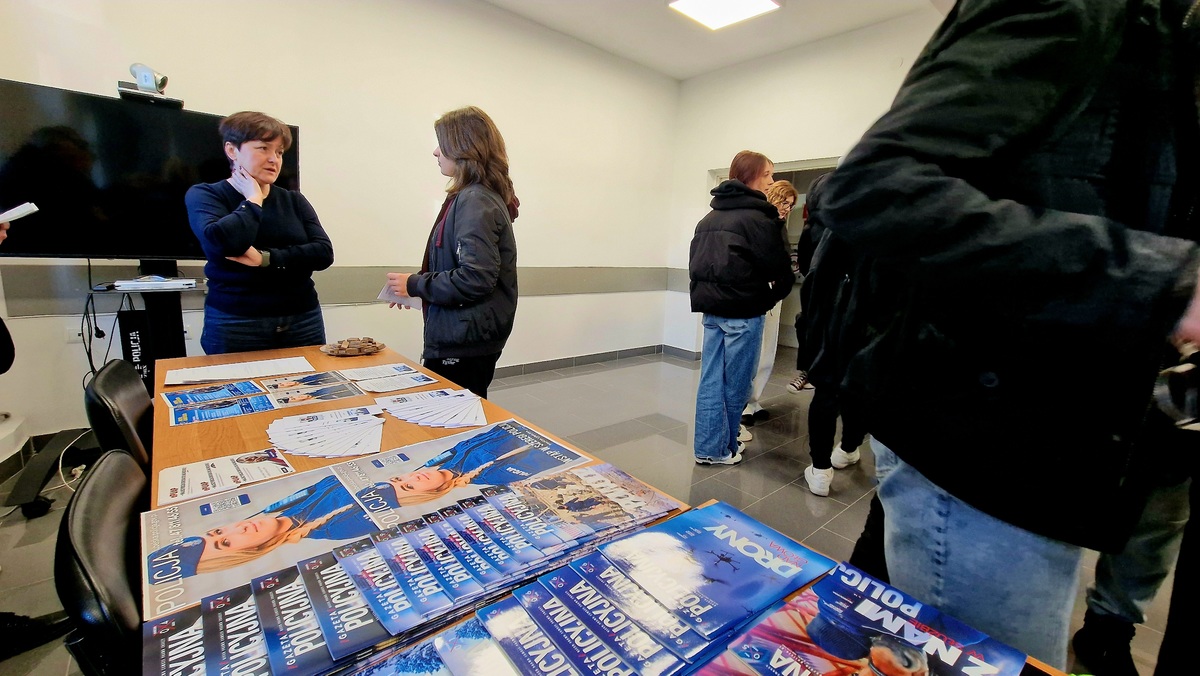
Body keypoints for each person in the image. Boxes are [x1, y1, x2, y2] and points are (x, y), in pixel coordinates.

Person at [815, 0, 1200, 667]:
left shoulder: (1161, 45)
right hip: (981, 442)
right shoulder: (1079, 10)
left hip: (1056, 437)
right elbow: (870, 189)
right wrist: (1165, 284)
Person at [386, 106, 518, 399]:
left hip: (464, 339)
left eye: (442, 144)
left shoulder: (475, 200)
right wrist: (414, 288)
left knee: (457, 417)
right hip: (465, 334)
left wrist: (416, 284)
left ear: (464, 148)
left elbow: (475, 278)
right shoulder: (475, 197)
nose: (436, 152)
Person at [185, 111, 334, 355]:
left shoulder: (293, 200)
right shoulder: (206, 195)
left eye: (279, 152)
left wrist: (266, 259)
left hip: (302, 318)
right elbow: (225, 242)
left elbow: (323, 253)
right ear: (232, 150)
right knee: (236, 381)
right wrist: (253, 199)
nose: (274, 159)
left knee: (310, 380)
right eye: (263, 148)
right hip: (236, 321)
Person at [689, 151, 795, 465]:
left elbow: (698, 267)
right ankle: (722, 448)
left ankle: (708, 448)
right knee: (736, 384)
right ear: (750, 176)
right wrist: (771, 298)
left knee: (711, 380)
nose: (772, 181)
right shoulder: (760, 219)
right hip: (744, 313)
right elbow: (779, 269)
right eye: (768, 174)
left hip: (712, 312)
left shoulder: (708, 219)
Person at [145, 475, 375, 577]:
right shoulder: (336, 528)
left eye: (218, 531)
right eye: (226, 542)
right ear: (247, 552)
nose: (238, 528)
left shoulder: (286, 507)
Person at [796, 174, 868, 498]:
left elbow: (812, 279)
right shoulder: (878, 224)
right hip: (867, 324)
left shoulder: (822, 229)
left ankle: (821, 469)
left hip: (832, 324)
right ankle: (848, 448)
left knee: (826, 393)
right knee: (858, 391)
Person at [357, 425, 580, 508]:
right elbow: (553, 455)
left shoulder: (448, 460)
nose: (412, 478)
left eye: (399, 479)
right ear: (428, 494)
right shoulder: (492, 476)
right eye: (409, 487)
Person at [741, 179, 799, 427]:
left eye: (791, 205)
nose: (787, 209)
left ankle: (754, 400)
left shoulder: (779, 225)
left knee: (767, 351)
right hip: (758, 293)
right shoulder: (761, 222)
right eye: (784, 202)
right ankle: (743, 403)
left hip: (774, 293)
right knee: (752, 351)